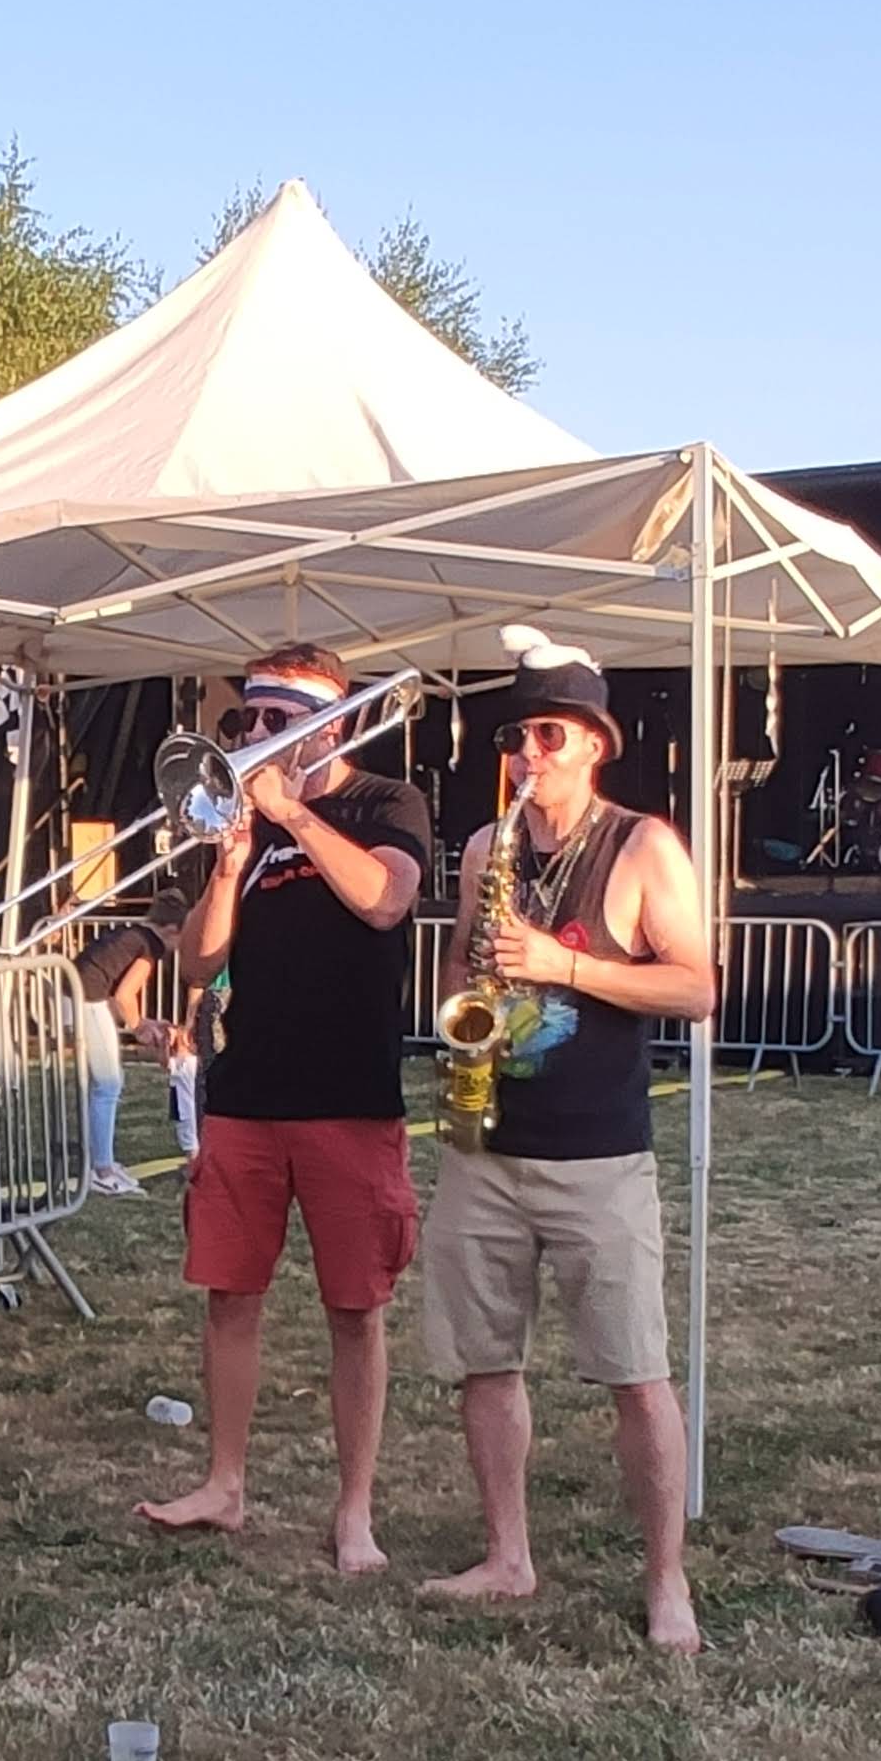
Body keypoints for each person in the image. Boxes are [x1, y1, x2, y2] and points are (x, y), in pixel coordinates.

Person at [419, 649, 714, 1648]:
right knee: (483, 1362)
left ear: (593, 745)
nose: (528, 753)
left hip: (597, 1155)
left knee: (635, 1371)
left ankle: (666, 1581)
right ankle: (508, 1556)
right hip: (486, 1146)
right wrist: (465, 1008)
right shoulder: (485, 845)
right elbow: (460, 963)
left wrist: (562, 965)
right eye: (515, 736)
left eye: (549, 735)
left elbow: (695, 987)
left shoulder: (643, 846)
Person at [136, 644, 429, 1573]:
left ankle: (355, 1511)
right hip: (247, 1095)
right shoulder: (241, 820)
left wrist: (295, 813)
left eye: (274, 720)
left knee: (355, 1309)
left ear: (328, 724)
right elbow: (199, 962)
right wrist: (227, 867)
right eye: (246, 720)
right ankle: (224, 1484)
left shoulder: (386, 803)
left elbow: (385, 901)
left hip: (349, 1096)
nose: (252, 735)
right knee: (230, 1296)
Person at [73, 912, 172, 1196]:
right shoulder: (150, 946)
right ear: (172, 930)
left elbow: (115, 993)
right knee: (108, 1084)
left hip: (78, 993)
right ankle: (102, 1170)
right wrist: (139, 1027)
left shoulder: (132, 935)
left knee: (100, 1084)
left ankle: (99, 1162)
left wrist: (143, 1021)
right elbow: (125, 996)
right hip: (87, 999)